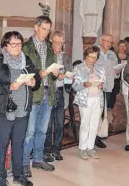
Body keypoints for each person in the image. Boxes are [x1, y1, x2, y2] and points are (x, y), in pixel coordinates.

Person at [0, 31, 40, 186]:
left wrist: (33, 82)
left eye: (19, 44)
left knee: (19, 143)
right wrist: (9, 86)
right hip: (3, 110)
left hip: (23, 109)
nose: (17, 47)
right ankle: (0, 177)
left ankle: (18, 175)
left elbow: (37, 79)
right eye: (13, 44)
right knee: (1, 144)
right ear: (5, 45)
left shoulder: (26, 61)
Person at [22, 16, 58, 177]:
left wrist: (55, 73)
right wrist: (38, 74)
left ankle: (37, 158)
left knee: (42, 130)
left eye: (48, 30)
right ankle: (23, 163)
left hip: (47, 92)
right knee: (29, 131)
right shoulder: (26, 47)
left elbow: (54, 72)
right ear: (36, 27)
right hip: (33, 93)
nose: (46, 32)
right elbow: (21, 71)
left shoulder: (50, 48)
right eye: (43, 29)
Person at [72, 46, 107, 159]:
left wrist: (102, 85)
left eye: (95, 57)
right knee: (85, 124)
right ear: (85, 56)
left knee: (94, 124)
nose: (92, 59)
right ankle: (83, 148)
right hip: (86, 99)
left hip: (98, 98)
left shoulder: (100, 68)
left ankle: (90, 147)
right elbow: (74, 85)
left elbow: (105, 84)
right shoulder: (79, 68)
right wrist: (84, 84)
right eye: (90, 57)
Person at [44, 31, 72, 163]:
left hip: (61, 92)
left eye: (61, 42)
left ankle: (57, 149)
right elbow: (43, 74)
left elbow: (69, 73)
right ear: (51, 42)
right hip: (49, 91)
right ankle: (47, 151)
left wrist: (68, 76)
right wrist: (56, 75)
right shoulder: (47, 56)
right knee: (48, 125)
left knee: (60, 124)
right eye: (56, 42)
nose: (58, 45)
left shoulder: (65, 57)